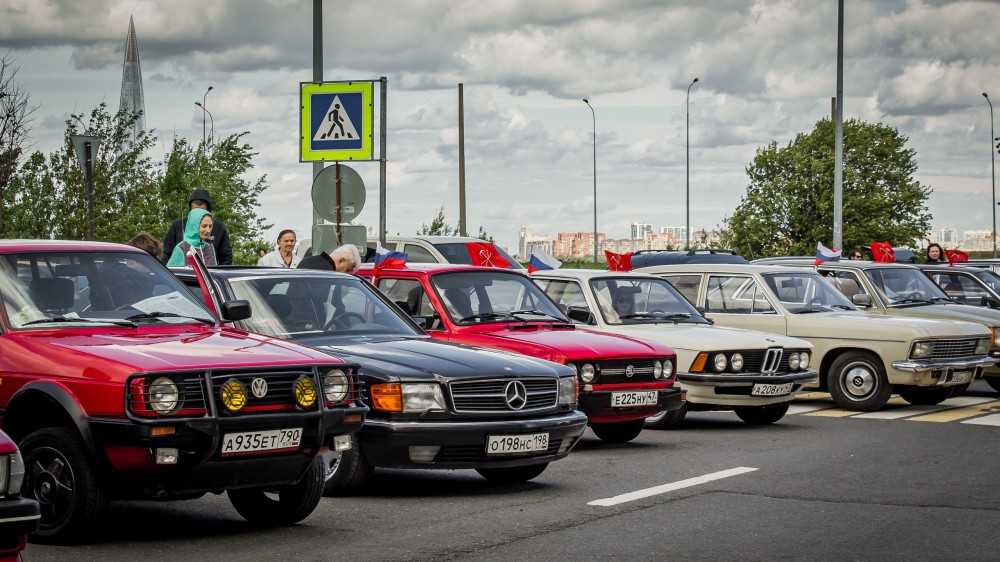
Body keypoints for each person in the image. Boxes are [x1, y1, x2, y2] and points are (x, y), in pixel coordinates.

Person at [161, 189, 232, 265]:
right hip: (183, 276)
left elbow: (226, 258)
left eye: (210, 226)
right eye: (204, 226)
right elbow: (166, 255)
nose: (207, 230)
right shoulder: (178, 227)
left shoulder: (216, 234)